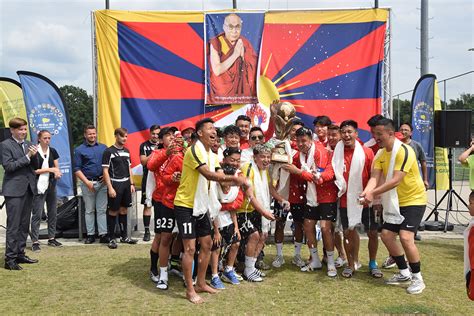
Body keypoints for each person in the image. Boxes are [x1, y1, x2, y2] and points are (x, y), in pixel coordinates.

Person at [173, 118, 248, 304]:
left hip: (202, 206)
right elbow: (208, 174)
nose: (214, 131)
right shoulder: (194, 151)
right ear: (200, 133)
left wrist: (236, 180)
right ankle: (190, 290)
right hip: (186, 205)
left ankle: (200, 283)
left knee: (207, 245)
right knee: (190, 249)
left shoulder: (212, 155)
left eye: (215, 128)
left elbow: (220, 179)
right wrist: (237, 181)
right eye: (210, 128)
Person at [361, 118, 427, 295]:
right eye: (374, 134)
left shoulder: (404, 151)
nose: (376, 138)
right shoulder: (380, 154)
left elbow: (395, 180)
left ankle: (418, 278)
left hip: (414, 200)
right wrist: (366, 193)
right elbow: (374, 178)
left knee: (406, 238)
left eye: (379, 134)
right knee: (387, 236)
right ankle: (404, 272)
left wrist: (372, 194)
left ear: (391, 133)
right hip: (395, 201)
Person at [283, 127, 338, 277]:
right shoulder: (300, 155)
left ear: (310, 140)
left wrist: (299, 172)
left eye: (304, 141)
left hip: (327, 195)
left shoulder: (319, 152)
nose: (300, 144)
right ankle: (315, 260)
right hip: (311, 197)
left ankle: (331, 263)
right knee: (307, 226)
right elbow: (287, 159)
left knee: (326, 228)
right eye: (298, 141)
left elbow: (317, 178)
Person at [331, 120, 382, 279]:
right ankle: (351, 263)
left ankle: (373, 263)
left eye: (349, 132)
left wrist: (375, 199)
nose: (346, 135)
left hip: (366, 199)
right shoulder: (337, 153)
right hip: (346, 201)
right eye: (343, 132)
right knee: (348, 232)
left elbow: (374, 177)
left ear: (356, 134)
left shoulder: (367, 152)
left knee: (372, 232)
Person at [1, 118, 39, 270]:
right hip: (14, 190)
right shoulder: (4, 145)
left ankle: (20, 254)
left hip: (28, 188)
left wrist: (35, 156)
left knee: (24, 225)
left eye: (24, 129)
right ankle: (9, 260)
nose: (23, 132)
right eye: (20, 130)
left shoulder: (29, 144)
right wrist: (28, 157)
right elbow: (9, 166)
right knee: (14, 226)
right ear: (12, 130)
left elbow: (34, 167)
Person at [237, 144, 276, 281]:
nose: (266, 160)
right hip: (243, 210)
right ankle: (247, 270)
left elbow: (270, 188)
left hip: (256, 209)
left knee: (262, 236)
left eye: (268, 157)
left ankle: (252, 267)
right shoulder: (248, 168)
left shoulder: (264, 171)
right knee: (253, 236)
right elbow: (249, 195)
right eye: (262, 157)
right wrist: (264, 212)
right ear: (255, 157)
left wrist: (282, 200)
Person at [272, 119, 306, 268]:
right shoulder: (280, 146)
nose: (295, 134)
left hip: (299, 194)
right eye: (293, 131)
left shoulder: (305, 151)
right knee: (279, 224)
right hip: (282, 194)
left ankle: (297, 255)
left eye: (299, 131)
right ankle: (279, 256)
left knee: (299, 225)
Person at [150, 127, 182, 290]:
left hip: (182, 202)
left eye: (173, 135)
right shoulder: (158, 153)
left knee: (178, 236)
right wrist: (166, 153)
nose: (171, 138)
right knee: (162, 237)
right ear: (162, 140)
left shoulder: (183, 154)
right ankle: (155, 269)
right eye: (167, 136)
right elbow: (150, 165)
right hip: (162, 201)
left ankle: (174, 264)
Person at [209, 147, 245, 289]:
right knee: (216, 247)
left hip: (228, 220)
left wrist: (236, 227)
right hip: (215, 220)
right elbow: (213, 209)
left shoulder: (236, 184)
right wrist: (216, 231)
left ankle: (229, 270)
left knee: (236, 243)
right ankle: (214, 275)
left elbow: (232, 208)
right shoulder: (215, 186)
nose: (226, 186)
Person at [208, 13, 258, 104]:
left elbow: (253, 70)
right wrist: (235, 54)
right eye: (231, 27)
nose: (234, 31)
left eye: (237, 27)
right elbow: (217, 70)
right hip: (221, 95)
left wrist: (243, 57)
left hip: (242, 96)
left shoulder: (245, 43)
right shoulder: (217, 42)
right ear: (224, 27)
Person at [102, 128, 138, 249]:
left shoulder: (127, 151)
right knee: (113, 211)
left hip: (126, 184)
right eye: (122, 136)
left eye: (126, 136)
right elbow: (105, 171)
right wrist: (110, 188)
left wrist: (132, 184)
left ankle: (124, 237)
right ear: (116, 136)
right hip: (115, 184)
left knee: (124, 210)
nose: (124, 139)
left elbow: (129, 168)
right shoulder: (108, 151)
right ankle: (111, 238)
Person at [74, 125, 108, 244]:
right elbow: (77, 169)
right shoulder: (79, 150)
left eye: (94, 133)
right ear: (85, 135)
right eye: (89, 134)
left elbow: (108, 165)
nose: (92, 136)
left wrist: (106, 177)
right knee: (89, 210)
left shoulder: (104, 148)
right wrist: (87, 182)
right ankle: (90, 235)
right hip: (88, 183)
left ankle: (103, 234)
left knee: (102, 210)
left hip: (102, 183)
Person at [30, 130, 63, 252]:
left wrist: (57, 173)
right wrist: (51, 170)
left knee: (53, 212)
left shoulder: (53, 151)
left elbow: (56, 168)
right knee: (37, 214)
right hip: (38, 185)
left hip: (51, 185)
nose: (47, 140)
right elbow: (34, 171)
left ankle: (51, 238)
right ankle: (35, 241)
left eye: (49, 138)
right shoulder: (34, 151)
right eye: (45, 138)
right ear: (39, 139)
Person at [139, 124, 160, 241]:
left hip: (161, 179)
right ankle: (147, 231)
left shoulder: (163, 145)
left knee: (160, 206)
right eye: (153, 133)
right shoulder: (144, 145)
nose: (155, 136)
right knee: (147, 205)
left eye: (157, 134)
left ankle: (158, 230)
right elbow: (143, 162)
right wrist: (154, 152)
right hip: (148, 178)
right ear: (150, 133)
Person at [399, 122, 429, 189]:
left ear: (411, 133)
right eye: (401, 130)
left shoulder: (416, 145)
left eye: (406, 130)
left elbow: (423, 162)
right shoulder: (395, 145)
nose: (403, 132)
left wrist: (425, 180)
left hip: (414, 180)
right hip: (399, 181)